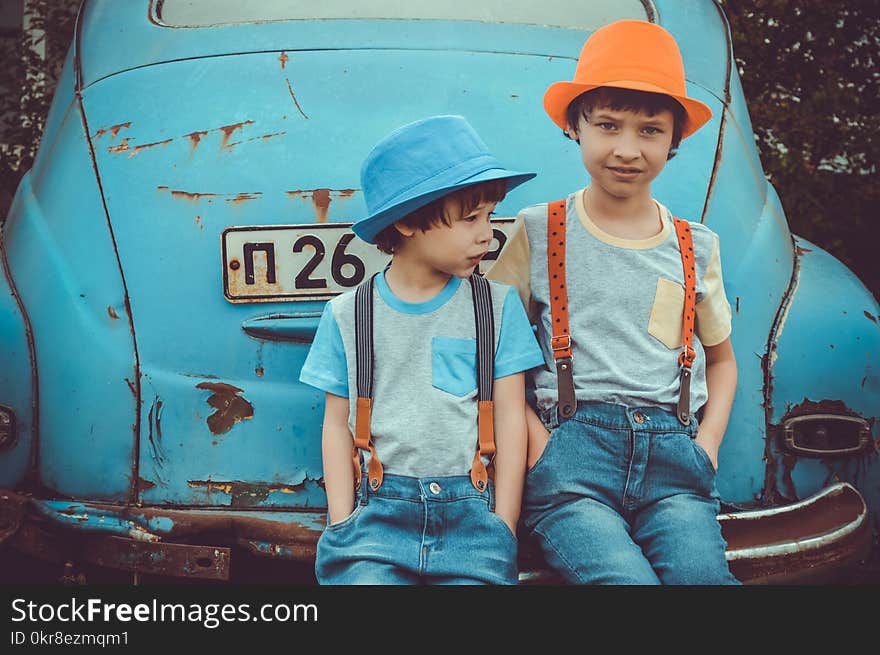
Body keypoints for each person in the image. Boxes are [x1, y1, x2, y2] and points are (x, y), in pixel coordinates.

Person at [487, 20, 740, 584]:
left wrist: (708, 447)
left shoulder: (694, 246)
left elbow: (721, 361)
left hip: (676, 465)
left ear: (675, 140)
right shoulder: (539, 230)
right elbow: (495, 356)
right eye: (607, 125)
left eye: (650, 131)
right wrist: (538, 450)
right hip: (571, 469)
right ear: (575, 127)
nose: (627, 149)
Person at [300, 115, 543, 584]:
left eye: (490, 216)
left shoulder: (496, 309)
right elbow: (336, 423)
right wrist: (341, 520)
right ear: (409, 220)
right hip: (374, 525)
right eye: (470, 218)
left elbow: (512, 420)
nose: (487, 234)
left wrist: (504, 525)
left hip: (472, 525)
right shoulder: (348, 315)